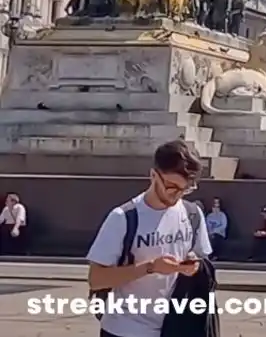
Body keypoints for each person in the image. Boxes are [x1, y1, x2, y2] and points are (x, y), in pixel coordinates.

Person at [86, 139, 212, 337]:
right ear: (153, 175)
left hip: (176, 326)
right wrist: (150, 267)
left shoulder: (192, 213)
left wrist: (192, 266)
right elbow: (96, 279)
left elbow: (200, 259)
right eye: (171, 187)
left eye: (185, 188)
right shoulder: (123, 217)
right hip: (125, 329)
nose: (177, 195)